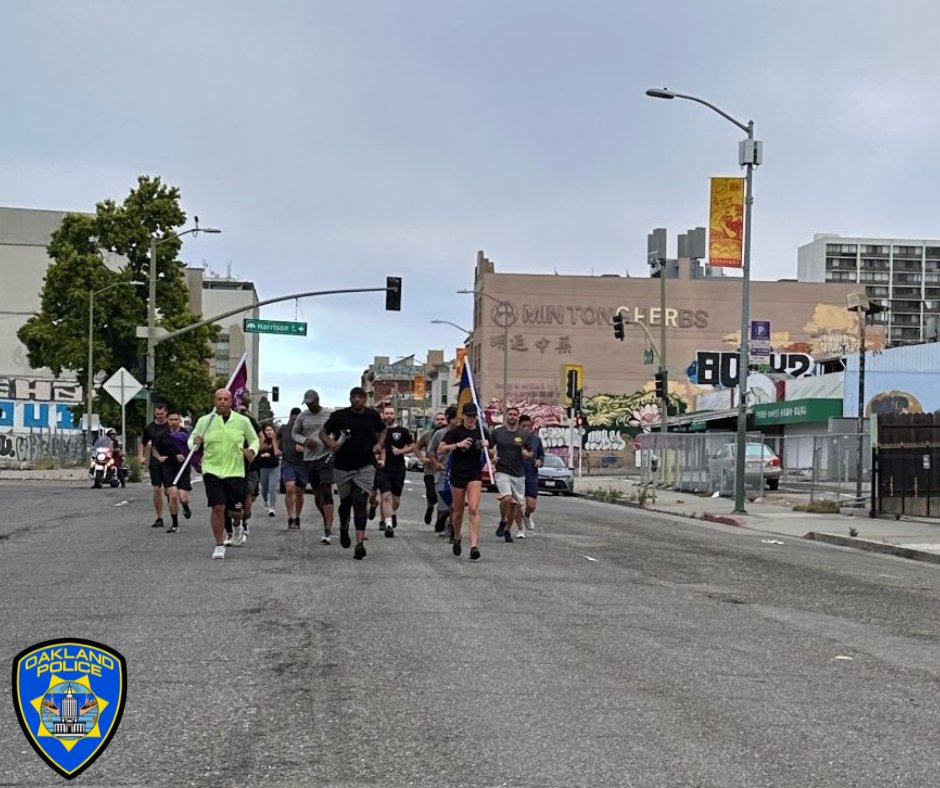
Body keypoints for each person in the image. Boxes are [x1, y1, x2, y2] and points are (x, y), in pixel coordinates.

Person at [189, 389, 260, 560]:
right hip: (212, 470)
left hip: (235, 471)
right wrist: (195, 442)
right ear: (214, 401)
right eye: (219, 399)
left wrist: (252, 450)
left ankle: (237, 526)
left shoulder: (242, 421)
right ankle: (219, 544)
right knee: (218, 507)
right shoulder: (205, 421)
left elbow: (254, 439)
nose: (222, 402)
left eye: (226, 399)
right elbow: (192, 440)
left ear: (231, 402)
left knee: (235, 511)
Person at [320, 387, 386, 560]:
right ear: (350, 399)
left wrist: (379, 444)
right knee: (345, 502)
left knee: (359, 500)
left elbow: (383, 430)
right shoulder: (339, 416)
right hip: (342, 466)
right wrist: (331, 443)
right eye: (354, 397)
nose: (357, 400)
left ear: (365, 399)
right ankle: (343, 525)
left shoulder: (372, 416)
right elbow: (323, 432)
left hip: (365, 465)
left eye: (360, 397)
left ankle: (359, 544)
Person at [439, 402, 492, 561]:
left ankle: (474, 546)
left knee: (474, 509)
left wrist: (487, 446)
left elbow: (493, 452)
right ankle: (457, 536)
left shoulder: (482, 431)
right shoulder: (455, 432)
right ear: (463, 416)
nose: (471, 419)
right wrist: (457, 445)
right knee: (458, 511)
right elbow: (441, 449)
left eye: (474, 416)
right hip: (457, 474)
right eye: (469, 416)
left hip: (474, 473)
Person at [292, 389, 335, 544]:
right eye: (307, 404)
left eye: (312, 403)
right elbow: (294, 434)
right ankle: (325, 518)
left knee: (326, 490)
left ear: (317, 400)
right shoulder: (303, 416)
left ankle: (328, 528)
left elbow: (338, 430)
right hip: (310, 459)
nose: (310, 406)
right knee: (317, 496)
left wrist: (332, 442)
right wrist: (304, 441)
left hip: (326, 456)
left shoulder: (329, 414)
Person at [492, 406, 532, 541]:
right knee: (507, 498)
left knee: (516, 504)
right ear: (506, 416)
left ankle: (508, 529)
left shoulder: (524, 434)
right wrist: (493, 456)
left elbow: (530, 452)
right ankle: (503, 520)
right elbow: (490, 448)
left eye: (515, 414)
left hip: (518, 473)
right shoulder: (498, 432)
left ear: (517, 417)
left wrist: (525, 453)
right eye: (510, 414)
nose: (512, 416)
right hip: (502, 470)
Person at [375, 405, 414, 537]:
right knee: (385, 496)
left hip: (398, 469)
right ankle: (388, 524)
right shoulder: (378, 432)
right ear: (383, 415)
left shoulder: (402, 431)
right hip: (383, 469)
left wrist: (400, 451)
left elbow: (413, 446)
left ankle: (391, 513)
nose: (389, 416)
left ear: (395, 415)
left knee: (395, 500)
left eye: (391, 413)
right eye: (387, 414)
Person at [152, 410, 194, 533]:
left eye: (176, 419)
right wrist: (159, 457)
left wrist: (187, 456)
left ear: (180, 421)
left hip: (183, 468)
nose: (174, 422)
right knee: (173, 495)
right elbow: (154, 448)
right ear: (167, 421)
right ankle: (175, 524)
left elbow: (195, 449)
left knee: (183, 498)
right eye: (171, 420)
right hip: (169, 468)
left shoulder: (187, 434)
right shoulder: (163, 435)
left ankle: (185, 506)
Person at [427, 405, 458, 538]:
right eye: (456, 418)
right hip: (442, 473)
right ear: (450, 419)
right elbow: (430, 451)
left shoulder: (462, 433)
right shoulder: (440, 433)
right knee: (444, 505)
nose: (459, 420)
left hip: (457, 473)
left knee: (455, 504)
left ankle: (451, 527)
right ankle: (442, 518)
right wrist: (436, 463)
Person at [139, 403, 170, 528]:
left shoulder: (170, 425)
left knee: (169, 491)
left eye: (162, 414)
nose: (160, 416)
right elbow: (143, 443)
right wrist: (141, 456)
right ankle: (159, 517)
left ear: (166, 413)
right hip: (155, 461)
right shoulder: (150, 427)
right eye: (157, 414)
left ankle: (174, 513)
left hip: (169, 460)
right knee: (157, 490)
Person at [235, 404, 264, 539]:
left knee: (248, 493)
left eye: (243, 409)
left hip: (249, 463)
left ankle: (245, 519)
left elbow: (260, 437)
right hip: (232, 462)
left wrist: (253, 451)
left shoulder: (248, 420)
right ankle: (235, 521)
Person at [277, 407, 308, 531]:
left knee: (299, 492)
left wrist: (304, 448)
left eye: (297, 418)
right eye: (293, 418)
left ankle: (297, 517)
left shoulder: (304, 430)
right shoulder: (284, 428)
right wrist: (276, 449)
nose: (294, 420)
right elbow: (275, 436)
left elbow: (313, 443)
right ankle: (290, 517)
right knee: (289, 488)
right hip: (287, 462)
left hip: (301, 464)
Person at [414, 411, 446, 525]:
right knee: (432, 495)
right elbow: (416, 447)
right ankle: (430, 507)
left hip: (443, 471)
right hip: (430, 471)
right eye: (438, 419)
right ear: (434, 421)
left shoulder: (449, 435)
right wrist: (422, 459)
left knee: (442, 497)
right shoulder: (427, 435)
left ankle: (440, 520)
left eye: (442, 419)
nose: (440, 421)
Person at [518, 414, 544, 530]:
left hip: (532, 475)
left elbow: (541, 455)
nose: (526, 428)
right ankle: (520, 528)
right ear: (519, 426)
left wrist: (540, 461)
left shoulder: (536, 440)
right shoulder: (515, 439)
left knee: (531, 505)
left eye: (528, 426)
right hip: (517, 473)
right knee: (517, 504)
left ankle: (527, 515)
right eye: (523, 426)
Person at [257, 423, 281, 517]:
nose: (269, 432)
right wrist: (262, 455)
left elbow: (280, 451)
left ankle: (272, 508)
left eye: (271, 430)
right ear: (264, 432)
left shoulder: (276, 441)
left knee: (272, 487)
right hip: (263, 468)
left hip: (274, 467)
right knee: (264, 489)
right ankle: (265, 501)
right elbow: (254, 454)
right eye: (267, 430)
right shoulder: (261, 442)